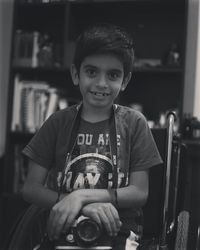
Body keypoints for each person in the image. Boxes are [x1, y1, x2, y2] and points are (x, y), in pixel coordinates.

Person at [22, 22, 163, 249]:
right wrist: (80, 205)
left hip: (118, 230)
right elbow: (30, 188)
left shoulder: (135, 123)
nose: (101, 83)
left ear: (125, 81)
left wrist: (80, 196)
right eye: (91, 72)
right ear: (76, 74)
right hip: (63, 228)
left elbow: (139, 192)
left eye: (113, 75)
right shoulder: (57, 122)